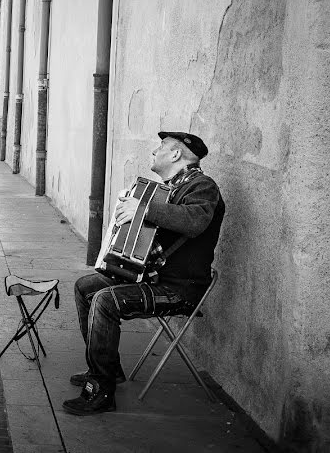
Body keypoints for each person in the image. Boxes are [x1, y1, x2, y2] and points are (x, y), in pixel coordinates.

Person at [63, 131, 225, 415]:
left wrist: (144, 209)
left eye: (161, 146)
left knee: (105, 300)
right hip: (153, 278)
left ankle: (101, 390)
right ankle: (108, 369)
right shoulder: (169, 188)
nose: (154, 151)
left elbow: (195, 221)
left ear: (176, 155)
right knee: (86, 286)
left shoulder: (203, 186)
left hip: (179, 290)